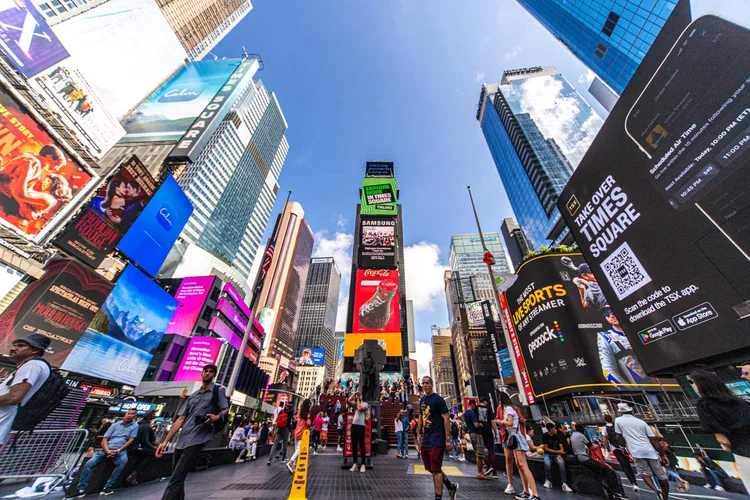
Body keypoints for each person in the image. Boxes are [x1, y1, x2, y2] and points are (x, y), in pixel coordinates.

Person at [155, 364, 229, 500]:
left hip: (198, 438)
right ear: (201, 374)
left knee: (176, 477)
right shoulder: (193, 395)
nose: (207, 374)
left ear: (214, 375)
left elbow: (225, 409)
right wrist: (165, 441)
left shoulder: (218, 391)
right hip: (182, 439)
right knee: (177, 476)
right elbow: (180, 419)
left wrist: (216, 417)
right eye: (205, 371)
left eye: (211, 372)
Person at [691, 369, 750, 493]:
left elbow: (722, 439)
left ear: (701, 384)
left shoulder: (704, 404)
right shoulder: (739, 402)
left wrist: (727, 447)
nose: (693, 386)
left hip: (743, 451)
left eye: (693, 382)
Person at [67, 409, 139, 497]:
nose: (130, 415)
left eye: (132, 414)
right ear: (125, 414)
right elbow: (105, 439)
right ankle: (81, 488)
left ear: (135, 417)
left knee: (123, 462)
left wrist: (119, 450)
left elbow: (131, 440)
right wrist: (107, 450)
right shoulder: (115, 425)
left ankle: (108, 486)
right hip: (107, 448)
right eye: (128, 413)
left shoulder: (135, 426)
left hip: (120, 450)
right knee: (89, 463)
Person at [0, 334, 52, 445]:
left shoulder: (32, 365)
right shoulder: (34, 365)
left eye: (20, 346)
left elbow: (13, 398)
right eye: (14, 345)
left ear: (35, 350)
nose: (13, 348)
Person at [614, 402, 669, 500]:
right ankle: (665, 497)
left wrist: (623, 447)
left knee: (644, 473)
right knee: (662, 477)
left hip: (636, 452)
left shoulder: (618, 421)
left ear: (620, 412)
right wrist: (663, 455)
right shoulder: (641, 422)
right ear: (631, 410)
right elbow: (653, 439)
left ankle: (656, 491)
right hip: (649, 451)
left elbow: (619, 436)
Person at [416, 376, 458, 500]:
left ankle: (438, 497)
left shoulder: (438, 400)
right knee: (430, 468)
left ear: (432, 384)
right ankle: (451, 486)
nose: (425, 385)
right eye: (423, 383)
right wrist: (418, 433)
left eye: (427, 383)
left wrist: (448, 439)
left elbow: (446, 418)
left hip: (437, 438)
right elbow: (420, 416)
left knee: (436, 469)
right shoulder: (422, 400)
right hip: (427, 438)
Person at [498, 392, 539, 500]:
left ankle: (534, 494)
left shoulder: (510, 409)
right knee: (519, 464)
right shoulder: (510, 408)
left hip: (516, 437)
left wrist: (502, 421)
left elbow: (511, 423)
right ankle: (526, 491)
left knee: (523, 465)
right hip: (513, 436)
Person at [597, 310, 654, 386]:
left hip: (665, 380)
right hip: (642, 388)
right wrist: (628, 389)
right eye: (607, 315)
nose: (611, 316)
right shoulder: (606, 337)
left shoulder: (641, 327)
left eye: (613, 312)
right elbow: (608, 369)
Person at [570, 423, 627, 499]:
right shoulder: (582, 436)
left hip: (580, 458)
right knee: (608, 470)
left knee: (600, 473)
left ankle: (611, 492)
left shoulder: (573, 435)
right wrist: (604, 462)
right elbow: (593, 449)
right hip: (585, 459)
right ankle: (617, 492)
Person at [603, 414, 639, 491]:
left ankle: (633, 483)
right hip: (623, 447)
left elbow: (605, 439)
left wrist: (607, 447)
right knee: (628, 464)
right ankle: (634, 481)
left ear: (605, 420)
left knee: (624, 466)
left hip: (615, 448)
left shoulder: (605, 428)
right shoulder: (616, 426)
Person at [126, 410, 158, 485]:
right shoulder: (146, 426)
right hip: (137, 448)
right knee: (152, 454)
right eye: (154, 414)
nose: (155, 415)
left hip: (135, 447)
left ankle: (134, 475)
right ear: (150, 416)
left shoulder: (140, 424)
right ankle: (135, 473)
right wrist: (154, 448)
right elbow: (145, 441)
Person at [542, 423, 573, 492]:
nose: (555, 430)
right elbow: (546, 449)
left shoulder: (557, 436)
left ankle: (564, 483)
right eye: (554, 428)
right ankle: (548, 480)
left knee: (561, 463)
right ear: (550, 429)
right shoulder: (545, 436)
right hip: (548, 454)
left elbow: (561, 447)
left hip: (557, 454)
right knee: (547, 464)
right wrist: (559, 452)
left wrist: (559, 454)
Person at [464, 399, 490, 480]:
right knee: (479, 453)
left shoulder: (466, 413)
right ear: (472, 404)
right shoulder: (471, 412)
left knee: (477, 453)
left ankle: (480, 472)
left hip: (471, 433)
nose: (475, 407)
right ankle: (480, 472)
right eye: (474, 405)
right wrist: (480, 425)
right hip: (476, 434)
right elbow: (476, 424)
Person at [287, 399, 311, 474]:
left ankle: (295, 466)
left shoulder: (299, 411)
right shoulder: (307, 414)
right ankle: (290, 462)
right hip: (302, 433)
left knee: (296, 450)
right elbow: (308, 424)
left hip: (297, 432)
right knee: (299, 450)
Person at [348, 392, 369, 472]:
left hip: (361, 426)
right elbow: (349, 400)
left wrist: (359, 400)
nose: (358, 396)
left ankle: (363, 464)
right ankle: (355, 463)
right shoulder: (356, 403)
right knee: (354, 445)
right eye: (358, 395)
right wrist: (354, 394)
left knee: (361, 445)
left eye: (359, 395)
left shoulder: (365, 404)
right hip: (354, 425)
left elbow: (360, 408)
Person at [477, 396, 497, 477]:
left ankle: (488, 465)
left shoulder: (476, 409)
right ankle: (494, 471)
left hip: (480, 432)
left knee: (482, 450)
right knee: (491, 450)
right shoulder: (488, 410)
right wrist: (495, 433)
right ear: (484, 401)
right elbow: (492, 423)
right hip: (488, 431)